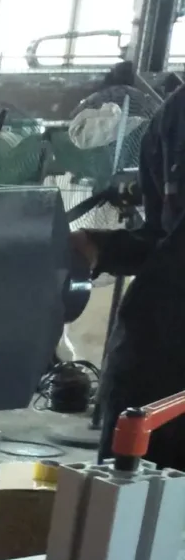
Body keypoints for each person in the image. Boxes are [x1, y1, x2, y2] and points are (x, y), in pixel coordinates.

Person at [74, 82, 185, 469]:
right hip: (157, 353)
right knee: (129, 486)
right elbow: (163, 235)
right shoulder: (174, 117)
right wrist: (99, 247)